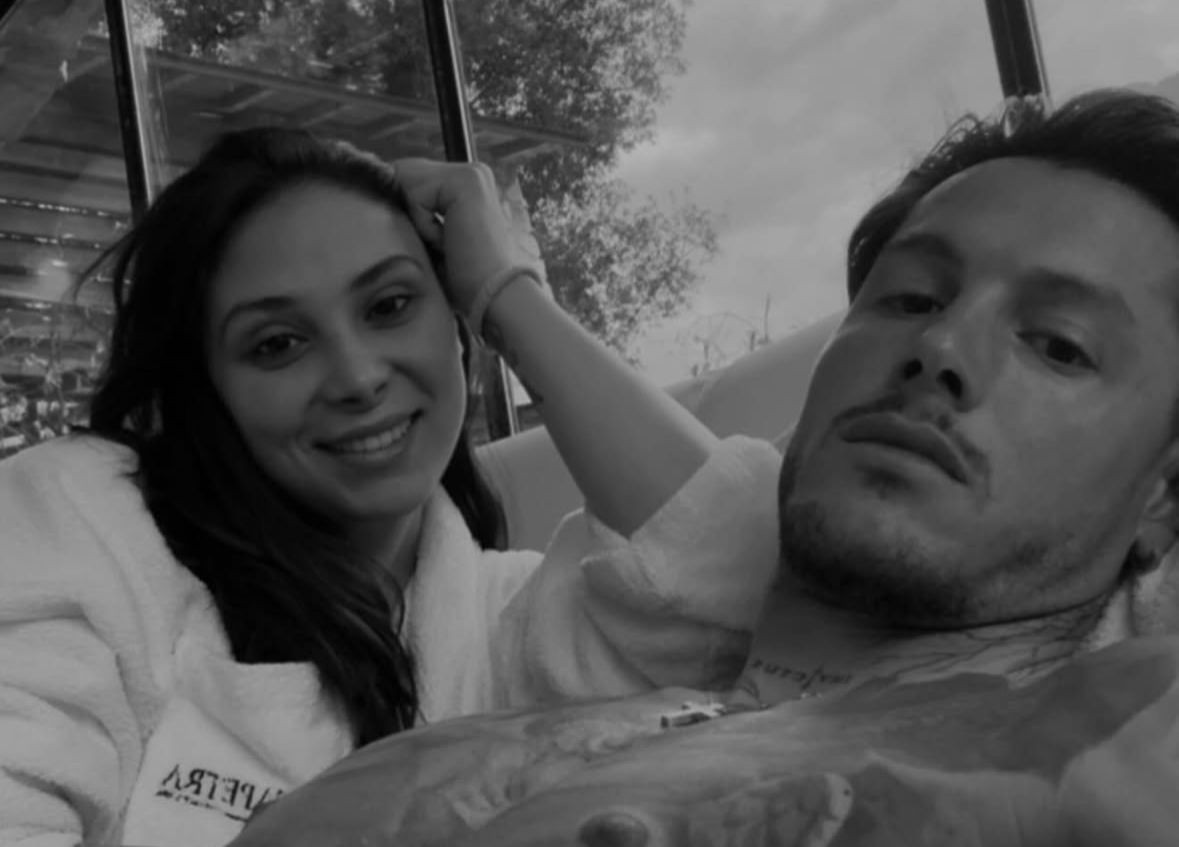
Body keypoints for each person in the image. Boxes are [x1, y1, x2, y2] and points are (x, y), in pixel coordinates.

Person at [231, 88, 1179, 846]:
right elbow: (700, 521)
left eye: (1058, 344)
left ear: (1164, 494)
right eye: (910, 297)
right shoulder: (427, 761)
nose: (939, 346)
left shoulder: (1117, 736)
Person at [0, 129, 783, 847]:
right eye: (277, 343)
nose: (357, 376)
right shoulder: (88, 520)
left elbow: (742, 577)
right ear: (205, 389)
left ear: (458, 328)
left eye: (390, 305)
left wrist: (510, 294)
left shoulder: (506, 624)